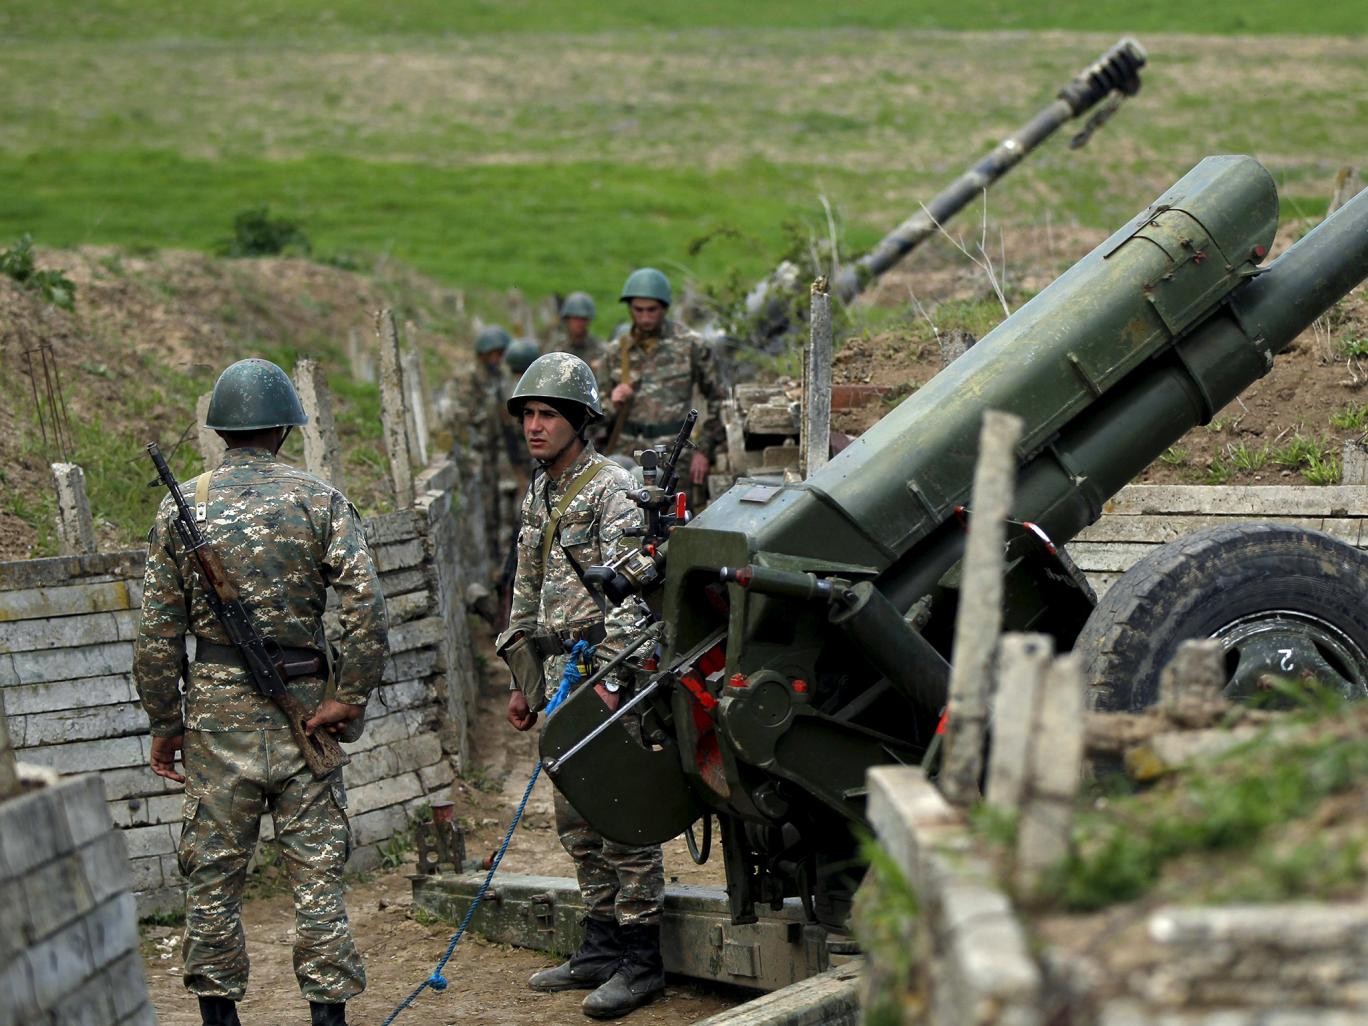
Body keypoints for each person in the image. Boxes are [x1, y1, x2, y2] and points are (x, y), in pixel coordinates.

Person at [132, 358, 388, 1026]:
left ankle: (219, 1018)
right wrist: (350, 695)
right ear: (285, 427)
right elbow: (367, 608)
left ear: (221, 429)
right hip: (308, 707)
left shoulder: (182, 507)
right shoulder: (321, 499)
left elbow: (157, 635)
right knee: (318, 874)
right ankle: (327, 1017)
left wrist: (166, 721)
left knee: (212, 876)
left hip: (216, 715)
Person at [497, 352, 666, 1020]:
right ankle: (599, 945)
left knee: (621, 813)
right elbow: (526, 585)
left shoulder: (610, 488)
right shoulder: (538, 489)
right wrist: (522, 678)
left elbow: (632, 593)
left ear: (580, 422)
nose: (534, 427)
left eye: (548, 415)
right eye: (529, 415)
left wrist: (618, 683)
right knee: (576, 819)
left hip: (606, 674)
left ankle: (641, 959)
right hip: (560, 674)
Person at [600, 268, 725, 496]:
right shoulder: (617, 352)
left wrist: (704, 450)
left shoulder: (690, 346)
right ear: (630, 309)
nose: (645, 317)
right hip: (627, 454)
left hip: (674, 455)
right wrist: (612, 401)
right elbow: (595, 414)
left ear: (664, 308)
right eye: (639, 310)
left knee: (673, 521)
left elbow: (719, 397)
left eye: (652, 310)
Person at [548, 291, 604, 366]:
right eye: (575, 318)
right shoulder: (556, 349)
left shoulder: (599, 349)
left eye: (583, 319)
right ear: (567, 319)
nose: (579, 323)